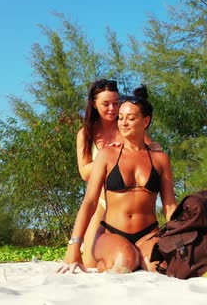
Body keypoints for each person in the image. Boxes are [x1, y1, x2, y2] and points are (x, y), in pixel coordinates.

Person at [59, 85, 177, 274]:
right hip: (112, 231)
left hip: (149, 232)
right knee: (124, 261)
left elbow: (169, 206)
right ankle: (111, 256)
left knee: (158, 266)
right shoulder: (107, 155)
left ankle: (138, 256)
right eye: (120, 118)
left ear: (145, 121)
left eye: (130, 118)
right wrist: (74, 245)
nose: (123, 123)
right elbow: (88, 201)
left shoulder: (160, 158)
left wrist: (180, 236)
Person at [76, 79, 162, 268]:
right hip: (102, 203)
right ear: (94, 104)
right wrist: (109, 157)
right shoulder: (86, 134)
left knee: (150, 263)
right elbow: (84, 172)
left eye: (116, 103)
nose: (112, 109)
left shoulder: (127, 124)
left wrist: (152, 148)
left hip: (138, 210)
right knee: (91, 263)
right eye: (106, 104)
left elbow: (149, 154)